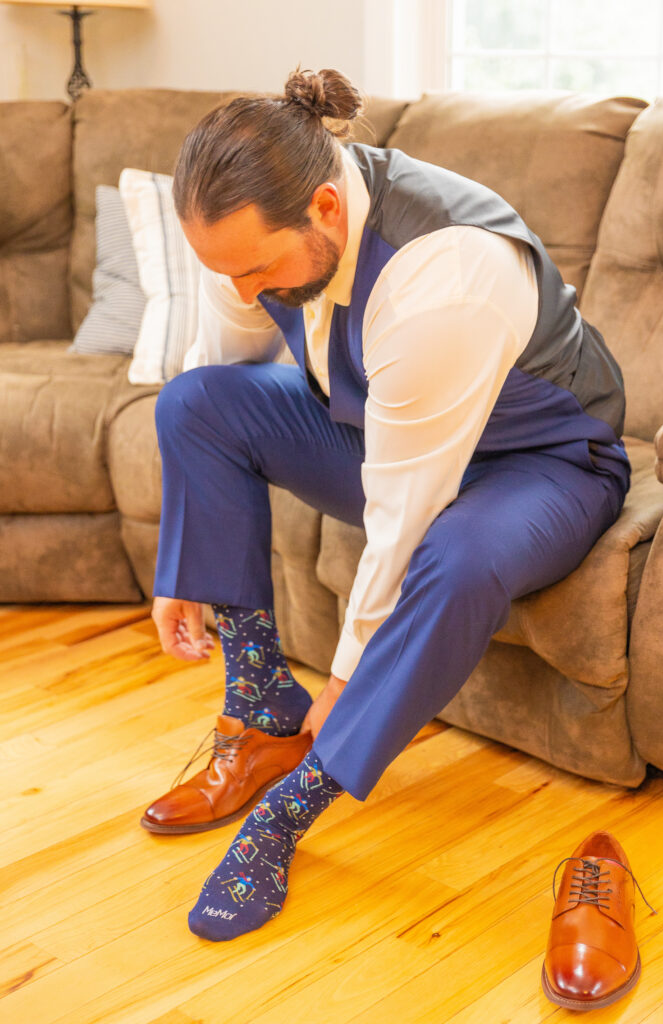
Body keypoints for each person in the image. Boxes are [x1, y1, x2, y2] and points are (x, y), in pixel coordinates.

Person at [145, 67, 631, 943]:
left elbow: (408, 508)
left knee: (458, 555)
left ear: (327, 209)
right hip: (383, 430)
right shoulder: (265, 231)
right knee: (192, 403)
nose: (245, 289)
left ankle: (288, 811)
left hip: (542, 466)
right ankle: (259, 712)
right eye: (226, 270)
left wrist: (346, 675)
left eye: (257, 269)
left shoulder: (445, 274)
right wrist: (183, 561)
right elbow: (218, 369)